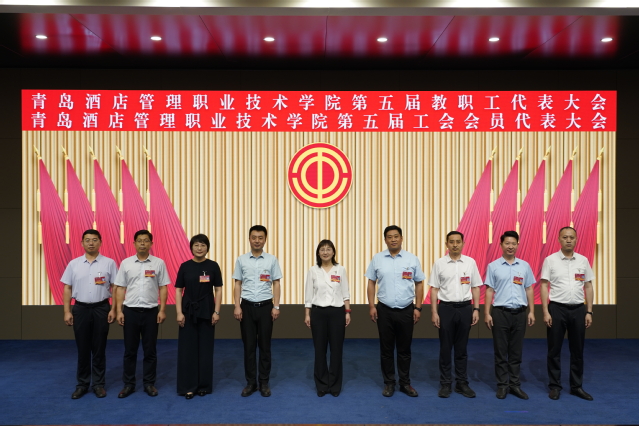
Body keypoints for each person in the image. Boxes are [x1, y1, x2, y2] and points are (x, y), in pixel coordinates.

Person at [366, 225, 425, 397]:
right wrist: (371, 306)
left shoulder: (412, 259)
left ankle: (405, 383)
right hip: (384, 310)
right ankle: (389, 383)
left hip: (407, 310)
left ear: (401, 238)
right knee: (386, 349)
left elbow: (419, 283)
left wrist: (418, 307)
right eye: (390, 237)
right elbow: (371, 282)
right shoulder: (377, 259)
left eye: (396, 236)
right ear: (385, 240)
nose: (393, 239)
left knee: (404, 349)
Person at [61, 229, 118, 399]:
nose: (91, 243)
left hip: (101, 308)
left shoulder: (109, 263)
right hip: (80, 309)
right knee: (83, 348)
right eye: (87, 240)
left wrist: (114, 309)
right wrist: (67, 311)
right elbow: (67, 288)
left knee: (99, 348)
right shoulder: (74, 264)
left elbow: (115, 287)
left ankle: (98, 384)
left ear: (100, 242)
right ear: (82, 243)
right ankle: (82, 384)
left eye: (94, 240)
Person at [540, 226, 594, 401]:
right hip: (557, 309)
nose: (568, 240)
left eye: (572, 237)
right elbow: (543, 285)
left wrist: (589, 311)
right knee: (554, 349)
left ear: (576, 239)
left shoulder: (583, 260)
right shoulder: (550, 260)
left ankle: (576, 386)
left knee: (577, 350)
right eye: (565, 237)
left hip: (578, 309)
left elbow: (588, 286)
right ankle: (555, 386)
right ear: (559, 239)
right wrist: (545, 311)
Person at [114, 230, 170, 398]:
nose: (143, 243)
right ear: (134, 243)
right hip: (130, 311)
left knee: (150, 350)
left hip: (151, 312)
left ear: (151, 244)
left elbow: (163, 287)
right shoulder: (126, 263)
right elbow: (120, 288)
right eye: (139, 241)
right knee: (130, 351)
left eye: (146, 241)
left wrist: (162, 310)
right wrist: (119, 311)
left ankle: (149, 383)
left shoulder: (159, 263)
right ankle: (129, 384)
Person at [428, 231, 482, 399]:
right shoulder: (439, 264)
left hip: (465, 308)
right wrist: (434, 312)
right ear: (447, 244)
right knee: (445, 348)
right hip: (446, 309)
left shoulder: (470, 262)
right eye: (451, 242)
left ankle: (461, 383)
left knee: (462, 349)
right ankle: (445, 384)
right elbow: (434, 289)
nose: (455, 245)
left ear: (463, 243)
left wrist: (476, 309)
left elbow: (475, 287)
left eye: (458, 241)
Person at [484, 230, 535, 400]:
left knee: (516, 352)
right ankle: (502, 385)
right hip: (500, 313)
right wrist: (487, 313)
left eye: (513, 243)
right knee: (500, 351)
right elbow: (489, 290)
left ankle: (514, 385)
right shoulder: (493, 266)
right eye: (507, 243)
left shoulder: (525, 266)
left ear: (518, 245)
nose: (510, 246)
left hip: (520, 313)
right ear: (501, 245)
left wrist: (532, 311)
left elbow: (529, 289)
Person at [233, 225, 282, 397]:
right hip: (246, 307)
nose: (257, 241)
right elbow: (237, 283)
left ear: (265, 240)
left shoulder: (271, 260)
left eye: (260, 238)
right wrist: (237, 306)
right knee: (249, 346)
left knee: (265, 346)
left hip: (266, 307)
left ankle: (264, 382)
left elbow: (276, 283)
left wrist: (276, 306)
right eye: (254, 237)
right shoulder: (241, 260)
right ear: (249, 239)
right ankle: (251, 383)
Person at [175, 234, 223, 399]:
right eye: (196, 245)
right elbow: (178, 290)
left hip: (207, 310)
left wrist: (217, 311)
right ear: (191, 247)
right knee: (187, 350)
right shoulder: (185, 266)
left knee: (205, 349)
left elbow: (218, 289)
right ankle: (188, 387)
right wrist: (179, 312)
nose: (199, 248)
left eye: (203, 245)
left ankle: (204, 386)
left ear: (207, 247)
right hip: (188, 311)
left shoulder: (213, 266)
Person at [304, 240, 351, 397]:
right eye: (322, 249)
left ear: (333, 252)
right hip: (318, 313)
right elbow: (308, 294)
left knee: (336, 350)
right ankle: (322, 384)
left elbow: (345, 293)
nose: (325, 252)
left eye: (328, 249)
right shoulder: (313, 270)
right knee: (320, 350)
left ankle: (335, 385)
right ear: (318, 252)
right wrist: (307, 314)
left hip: (337, 313)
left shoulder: (340, 269)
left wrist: (347, 312)